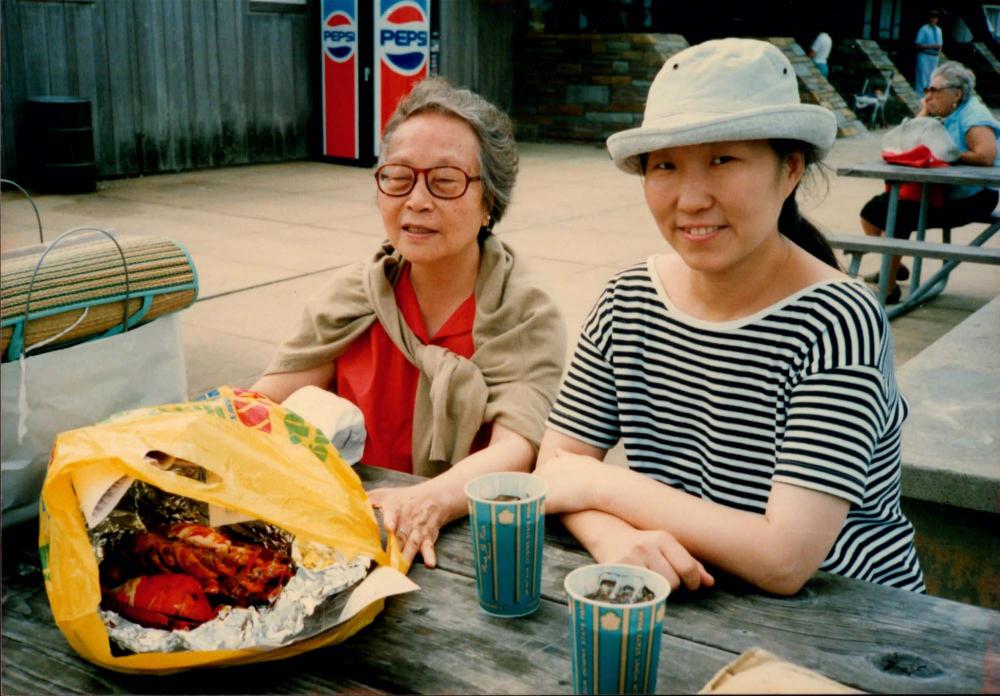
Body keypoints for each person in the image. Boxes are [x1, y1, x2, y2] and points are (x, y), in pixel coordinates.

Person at [534, 38, 925, 596]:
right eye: (665, 165)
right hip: (692, 600)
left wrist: (601, 486)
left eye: (723, 159)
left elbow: (784, 559)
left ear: (789, 170)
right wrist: (610, 538)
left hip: (848, 623)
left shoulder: (839, 319)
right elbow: (555, 470)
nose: (691, 198)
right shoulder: (628, 300)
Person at [253, 78, 566, 568]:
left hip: (466, 540)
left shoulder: (521, 313)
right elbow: (265, 402)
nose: (417, 201)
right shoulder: (351, 297)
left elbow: (518, 450)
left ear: (489, 204)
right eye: (399, 177)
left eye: (444, 181)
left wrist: (431, 502)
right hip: (344, 532)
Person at [859, 61, 999, 303]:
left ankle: (888, 288)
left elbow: (986, 156)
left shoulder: (973, 116)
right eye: (927, 90)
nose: (929, 95)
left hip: (974, 197)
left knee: (899, 214)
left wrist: (945, 154)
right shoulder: (946, 113)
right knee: (871, 212)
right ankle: (892, 266)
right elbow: (908, 140)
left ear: (957, 94)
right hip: (943, 192)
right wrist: (924, 111)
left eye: (935, 91)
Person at [914, 10, 943, 97]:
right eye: (933, 17)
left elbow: (940, 44)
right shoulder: (924, 29)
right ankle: (920, 97)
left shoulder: (939, 30)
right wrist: (930, 46)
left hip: (934, 57)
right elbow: (917, 44)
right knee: (923, 77)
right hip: (925, 55)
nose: (934, 19)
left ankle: (929, 98)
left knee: (932, 78)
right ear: (930, 18)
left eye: (936, 17)